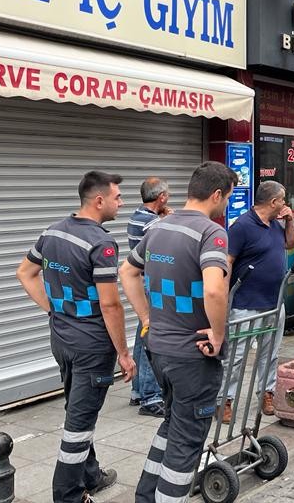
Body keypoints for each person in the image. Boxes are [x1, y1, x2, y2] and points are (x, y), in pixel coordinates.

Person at [119, 161, 238, 503]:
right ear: (216, 194)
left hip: (159, 350)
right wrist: (218, 336)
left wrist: (146, 318)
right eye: (228, 197)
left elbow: (127, 271)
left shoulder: (159, 227)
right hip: (192, 355)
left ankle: (146, 497)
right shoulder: (211, 233)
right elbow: (214, 289)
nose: (226, 204)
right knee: (187, 441)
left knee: (172, 425)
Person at [16, 171, 135, 503]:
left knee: (78, 408)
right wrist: (124, 353)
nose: (121, 202)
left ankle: (90, 475)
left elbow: (25, 273)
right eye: (117, 197)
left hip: (62, 339)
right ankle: (68, 495)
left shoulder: (52, 231)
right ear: (99, 200)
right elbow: (110, 304)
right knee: (79, 422)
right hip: (91, 346)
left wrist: (56, 310)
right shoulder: (101, 244)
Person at [222, 180, 294, 422]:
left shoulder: (275, 223)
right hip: (245, 304)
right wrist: (223, 297)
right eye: (282, 200)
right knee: (236, 357)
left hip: (274, 302)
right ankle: (224, 400)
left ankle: (267, 393)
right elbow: (228, 261)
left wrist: (289, 221)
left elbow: (290, 243)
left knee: (270, 353)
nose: (285, 204)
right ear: (273, 202)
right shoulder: (242, 226)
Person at [126, 177, 171, 418]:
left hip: (140, 282)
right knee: (151, 338)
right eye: (167, 194)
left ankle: (137, 390)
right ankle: (150, 397)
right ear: (161, 197)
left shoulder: (137, 217)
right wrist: (168, 218)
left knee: (141, 334)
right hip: (150, 284)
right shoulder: (153, 223)